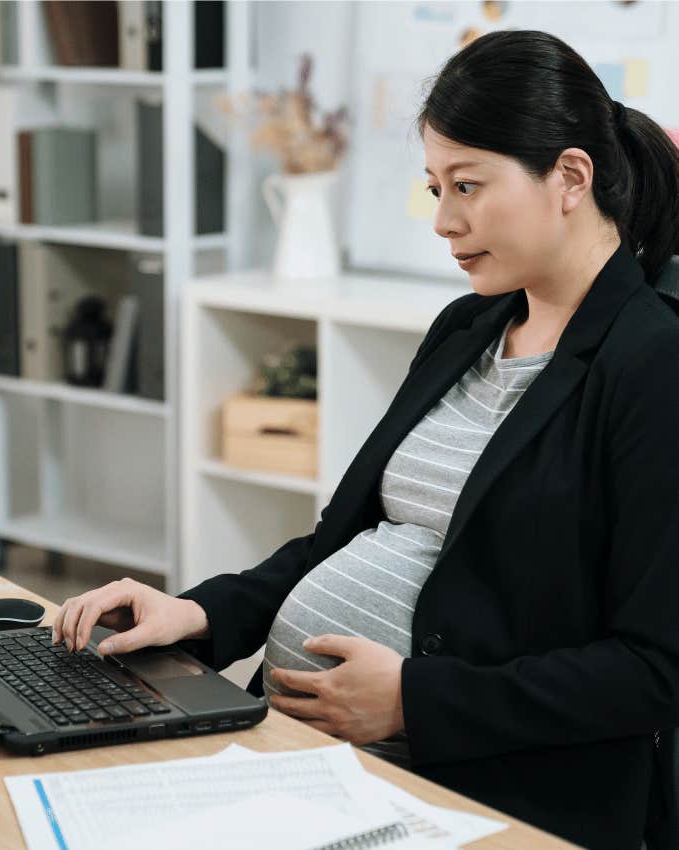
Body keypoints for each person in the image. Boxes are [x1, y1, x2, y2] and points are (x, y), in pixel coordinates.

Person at [52, 29, 679, 850]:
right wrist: (200, 612)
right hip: (314, 758)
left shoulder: (652, 360)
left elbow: (654, 668)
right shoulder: (470, 325)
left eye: (468, 186)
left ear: (569, 177)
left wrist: (416, 701)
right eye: (434, 187)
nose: (444, 221)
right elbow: (338, 540)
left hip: (483, 791)